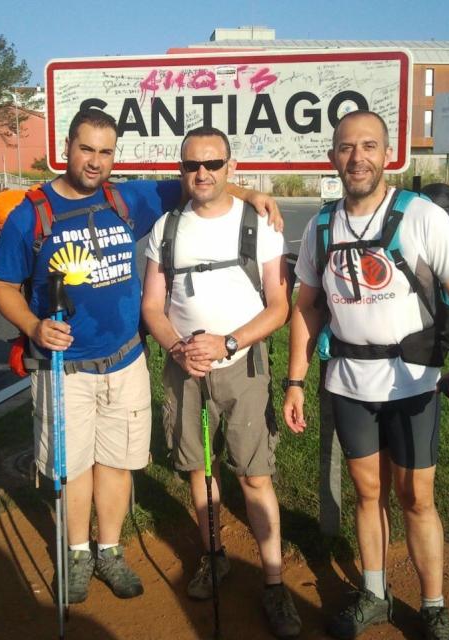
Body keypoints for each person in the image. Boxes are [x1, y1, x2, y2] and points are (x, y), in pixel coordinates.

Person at [0, 109, 281, 605]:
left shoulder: (127, 199)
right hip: (65, 367)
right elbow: (1, 284)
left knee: (116, 462)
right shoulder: (30, 213)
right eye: (86, 149)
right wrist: (34, 326)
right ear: (66, 147)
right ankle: (78, 553)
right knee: (73, 467)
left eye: (105, 152)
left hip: (125, 361)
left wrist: (250, 194)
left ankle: (109, 550)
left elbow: (201, 183)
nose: (95, 161)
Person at [282, 111, 449, 640]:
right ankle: (374, 593)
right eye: (347, 148)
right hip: (349, 383)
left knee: (416, 496)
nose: (358, 158)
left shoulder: (421, 216)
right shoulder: (321, 226)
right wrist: (296, 381)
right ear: (333, 157)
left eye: (369, 146)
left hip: (413, 382)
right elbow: (306, 307)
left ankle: (434, 605)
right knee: (367, 492)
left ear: (388, 155)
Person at [141, 126, 301, 638]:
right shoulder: (166, 227)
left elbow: (279, 307)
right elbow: (152, 305)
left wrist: (229, 343)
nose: (202, 173)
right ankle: (214, 557)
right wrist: (178, 349)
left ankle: (274, 582)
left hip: (242, 365)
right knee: (198, 467)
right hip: (184, 366)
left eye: (213, 163)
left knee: (254, 474)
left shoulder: (259, 223)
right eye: (192, 165)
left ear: (231, 167)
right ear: (181, 170)